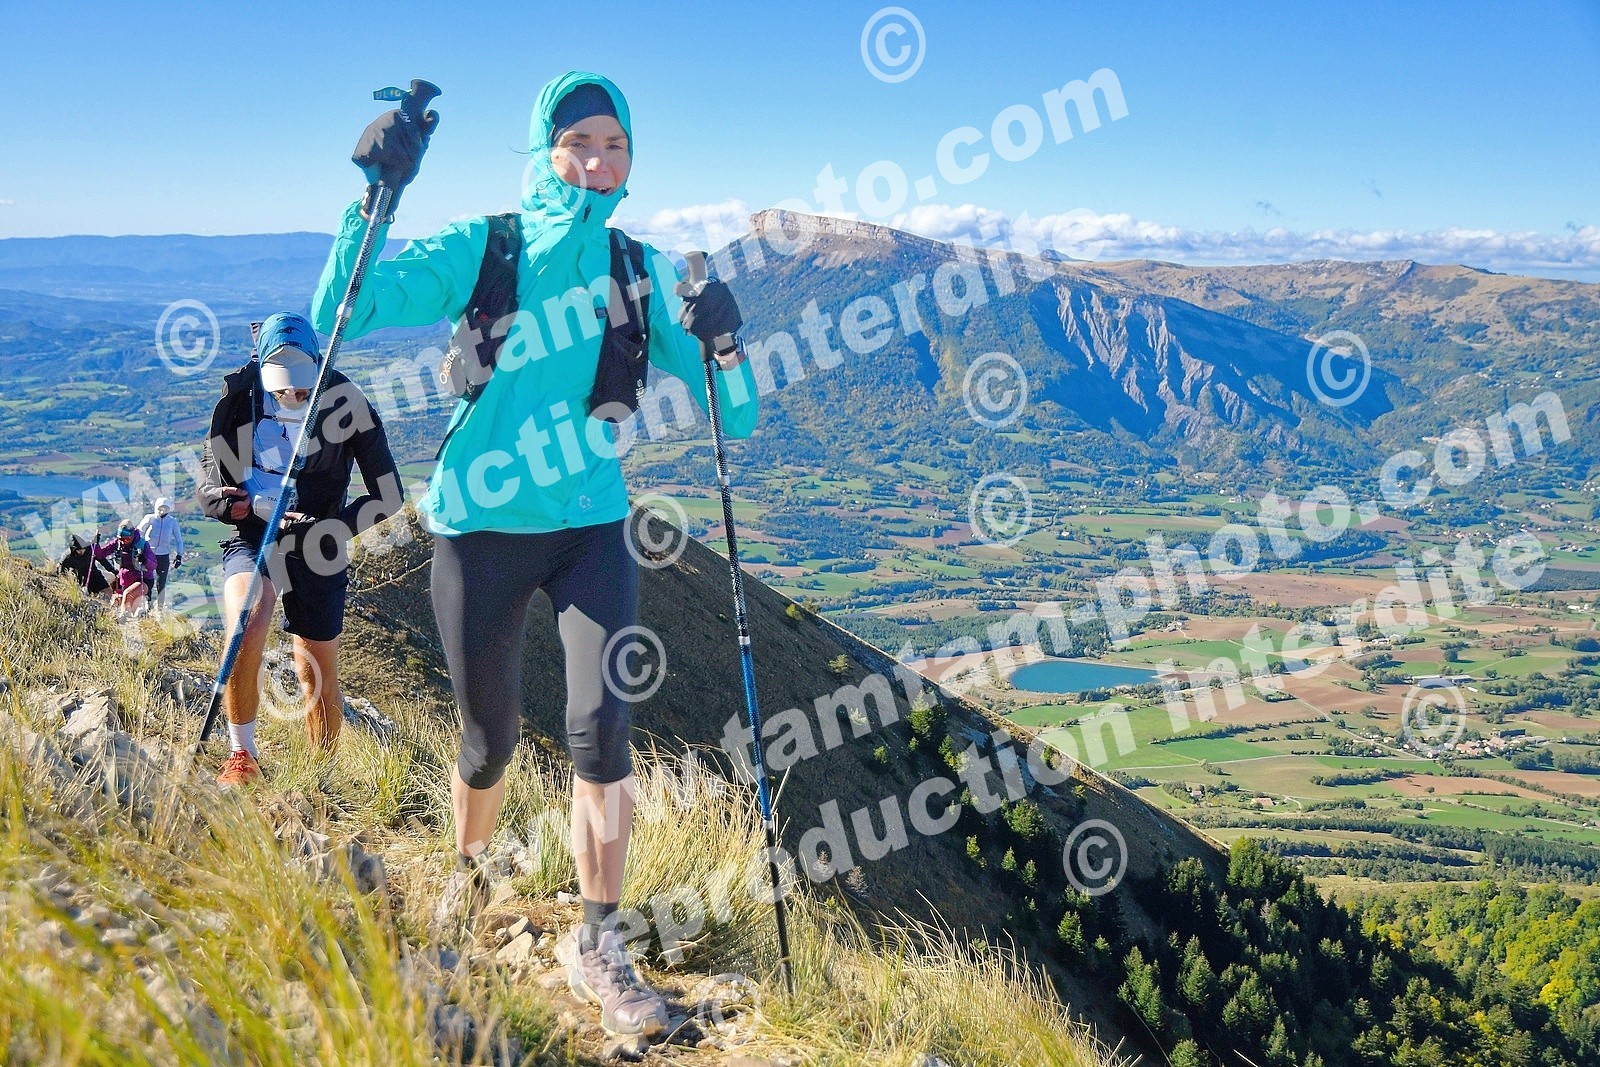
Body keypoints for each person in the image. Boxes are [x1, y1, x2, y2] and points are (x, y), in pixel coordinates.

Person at [312, 72, 759, 1037]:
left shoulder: (638, 268)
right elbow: (346, 306)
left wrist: (725, 343)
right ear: (544, 150)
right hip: (478, 526)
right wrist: (375, 196)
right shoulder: (487, 247)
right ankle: (467, 875)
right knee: (489, 739)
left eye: (615, 144)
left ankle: (601, 943)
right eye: (578, 141)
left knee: (602, 733)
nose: (598, 160)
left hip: (591, 523)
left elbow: (741, 412)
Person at [195, 312, 401, 787]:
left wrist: (332, 528)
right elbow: (207, 482)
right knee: (247, 622)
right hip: (253, 535)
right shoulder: (238, 400)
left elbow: (389, 493)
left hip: (318, 543)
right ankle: (241, 755)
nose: (294, 393)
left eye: (304, 386)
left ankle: (319, 776)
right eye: (283, 387)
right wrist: (231, 507)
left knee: (315, 667)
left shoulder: (346, 401)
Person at [93, 523, 156, 619]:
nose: (123, 542)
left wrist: (145, 560)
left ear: (132, 535)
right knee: (118, 601)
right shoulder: (117, 543)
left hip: (143, 581)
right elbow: (100, 554)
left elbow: (154, 565)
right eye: (121, 539)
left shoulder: (142, 544)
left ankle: (124, 618)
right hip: (124, 582)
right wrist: (96, 544)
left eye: (126, 539)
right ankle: (129, 620)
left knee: (127, 594)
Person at [137, 497, 184, 617]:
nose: (162, 511)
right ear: (156, 508)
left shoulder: (172, 522)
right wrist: (139, 548)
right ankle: (146, 605)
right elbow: (139, 531)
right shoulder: (150, 518)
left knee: (161, 583)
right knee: (147, 580)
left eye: (165, 508)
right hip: (149, 554)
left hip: (163, 555)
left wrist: (179, 555)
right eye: (160, 508)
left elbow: (179, 540)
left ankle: (160, 610)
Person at [58, 533, 111, 598]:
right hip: (79, 578)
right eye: (79, 550)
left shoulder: (90, 549)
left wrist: (113, 570)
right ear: (74, 550)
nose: (82, 552)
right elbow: (61, 570)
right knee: (88, 596)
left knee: (108, 591)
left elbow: (102, 559)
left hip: (93, 574)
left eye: (83, 549)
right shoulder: (67, 556)